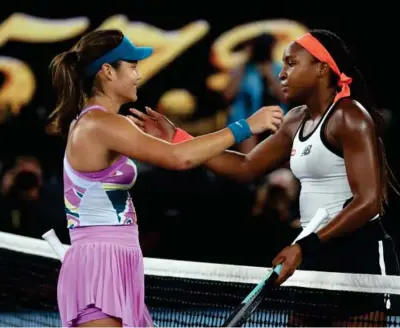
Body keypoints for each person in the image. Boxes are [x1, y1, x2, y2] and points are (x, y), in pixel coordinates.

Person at [129, 29, 400, 326]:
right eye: (282, 64)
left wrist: (304, 246)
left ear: (322, 68)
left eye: (292, 64)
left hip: (356, 256)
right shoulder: (295, 119)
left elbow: (368, 202)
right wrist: (179, 138)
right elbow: (245, 165)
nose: (282, 73)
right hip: (312, 253)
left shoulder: (350, 116)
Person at [49, 29, 283, 327]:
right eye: (132, 67)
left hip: (116, 260)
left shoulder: (100, 122)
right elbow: (179, 158)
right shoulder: (101, 123)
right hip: (98, 265)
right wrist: (245, 126)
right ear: (107, 71)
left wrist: (173, 137)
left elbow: (178, 152)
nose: (138, 75)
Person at [223, 33, 288, 153]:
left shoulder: (278, 69)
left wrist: (271, 77)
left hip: (275, 119)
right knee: (247, 134)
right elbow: (227, 96)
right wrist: (241, 71)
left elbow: (285, 97)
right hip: (245, 119)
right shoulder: (241, 70)